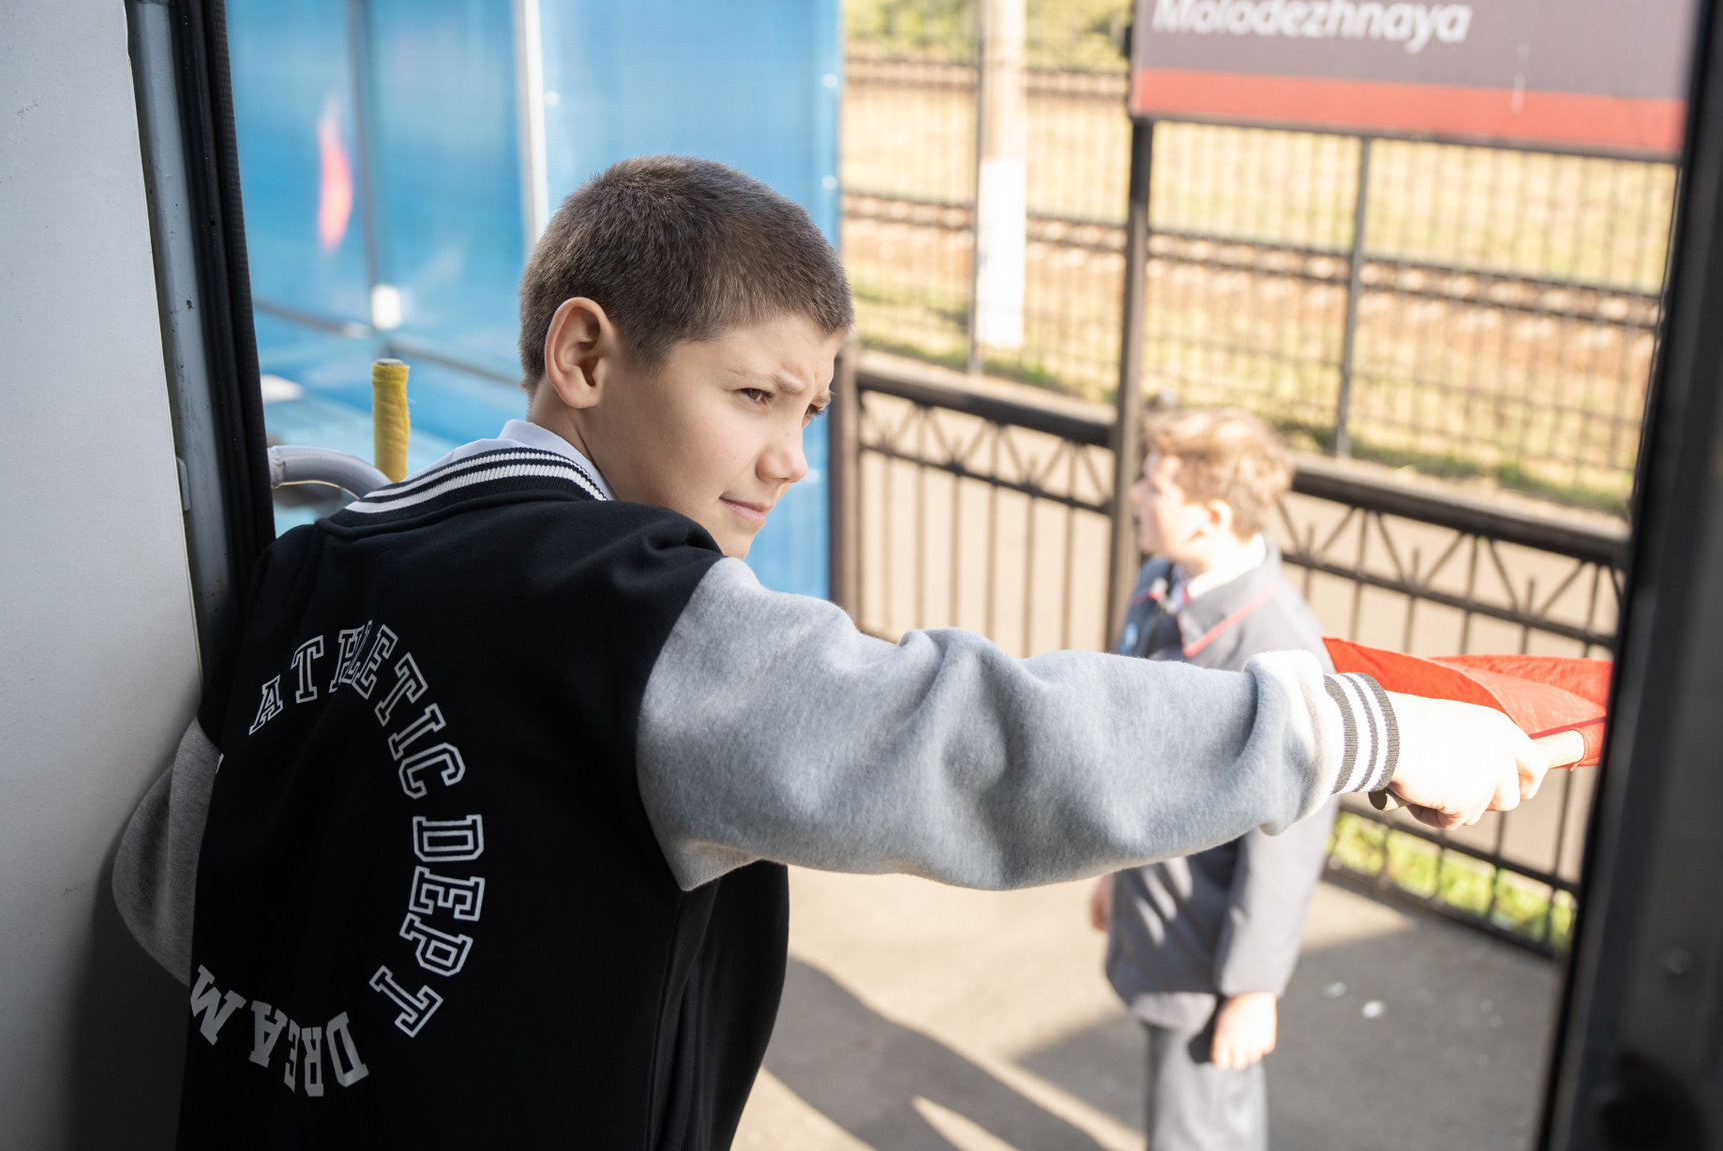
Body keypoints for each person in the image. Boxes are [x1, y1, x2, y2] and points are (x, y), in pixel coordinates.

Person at [112, 156, 1547, 1150]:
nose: (790, 458)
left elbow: (164, 898)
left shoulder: (314, 567)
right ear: (585, 356)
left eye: (808, 412)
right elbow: (970, 745)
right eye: (754, 395)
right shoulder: (630, 608)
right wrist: (1359, 727)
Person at [1089, 408, 1337, 1151]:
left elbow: (1288, 842)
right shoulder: (1164, 580)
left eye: (1155, 485)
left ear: (1211, 516)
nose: (1135, 495)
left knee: (1197, 1123)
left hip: (1206, 949)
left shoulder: (1278, 648)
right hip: (1159, 909)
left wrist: (1252, 987)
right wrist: (1111, 870)